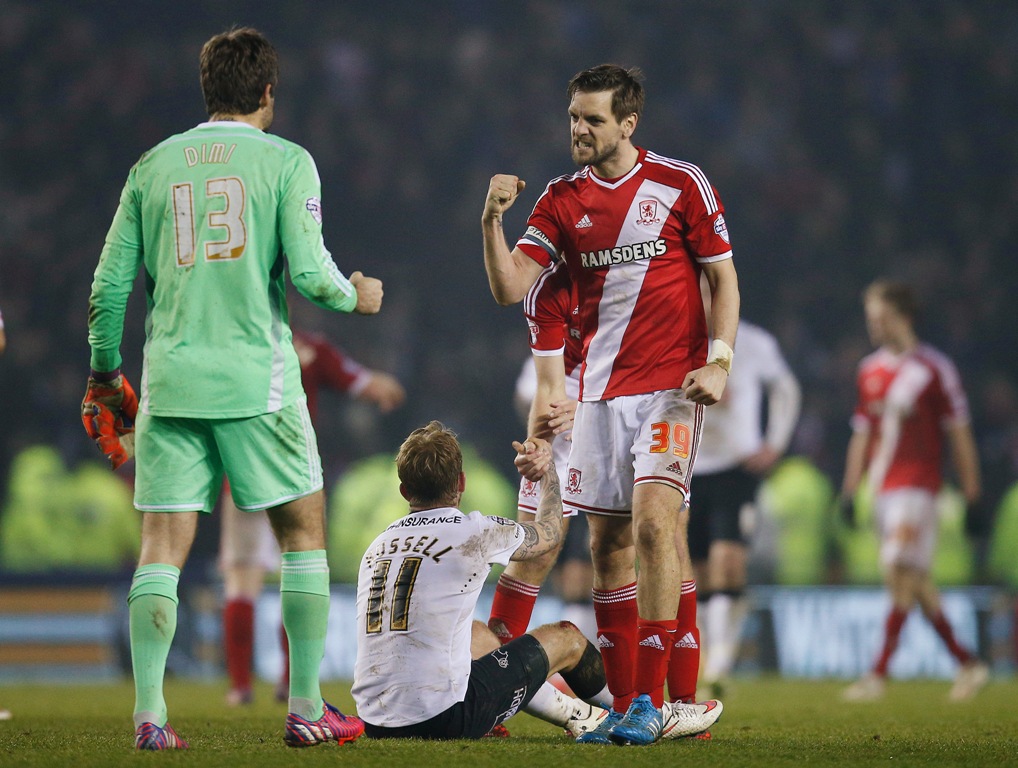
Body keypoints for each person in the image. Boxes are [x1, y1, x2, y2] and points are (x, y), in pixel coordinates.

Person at [81, 27, 382, 750]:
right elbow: (311, 276)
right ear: (269, 92)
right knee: (303, 534)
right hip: (259, 383)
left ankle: (149, 716)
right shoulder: (287, 162)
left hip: (171, 384)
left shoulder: (151, 165)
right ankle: (306, 706)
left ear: (207, 89)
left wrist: (102, 372)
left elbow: (108, 287)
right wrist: (357, 297)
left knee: (162, 549)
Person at [481, 64, 737, 745]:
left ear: (628, 122)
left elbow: (723, 278)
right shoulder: (561, 201)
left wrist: (718, 359)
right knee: (610, 547)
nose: (578, 129)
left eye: (592, 119)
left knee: (658, 527)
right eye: (573, 117)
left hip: (671, 392)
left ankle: (655, 703)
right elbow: (512, 288)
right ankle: (634, 705)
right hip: (597, 398)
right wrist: (491, 220)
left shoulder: (683, 183)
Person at [351, 421, 718, 741]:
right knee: (567, 638)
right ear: (461, 482)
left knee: (479, 636)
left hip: (375, 718)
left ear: (404, 490)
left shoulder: (376, 545)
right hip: (443, 717)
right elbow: (549, 533)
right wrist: (548, 475)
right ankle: (642, 711)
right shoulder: (474, 532)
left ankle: (584, 717)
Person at [221, 328, 405, 706]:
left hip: (242, 468)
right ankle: (292, 682)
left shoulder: (231, 340)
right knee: (299, 570)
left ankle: (239, 687)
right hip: (293, 469)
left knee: (241, 581)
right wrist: (384, 386)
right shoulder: (310, 346)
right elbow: (361, 381)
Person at [840, 279, 989, 702]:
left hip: (920, 488)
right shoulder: (869, 370)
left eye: (880, 318)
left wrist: (972, 493)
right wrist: (850, 491)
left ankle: (877, 674)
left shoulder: (933, 369)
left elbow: (959, 435)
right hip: (882, 490)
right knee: (911, 579)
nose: (873, 327)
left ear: (902, 317)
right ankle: (968, 662)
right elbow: (862, 435)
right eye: (870, 319)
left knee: (898, 568)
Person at [688, 276, 801, 699]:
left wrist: (775, 443)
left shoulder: (752, 341)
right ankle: (701, 663)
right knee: (695, 571)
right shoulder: (676, 338)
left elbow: (786, 390)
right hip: (687, 466)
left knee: (728, 561)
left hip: (736, 469)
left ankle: (720, 662)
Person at [487, 263, 593, 645]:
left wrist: (589, 409)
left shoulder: (637, 279)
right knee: (533, 554)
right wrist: (538, 442)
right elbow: (539, 388)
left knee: (630, 548)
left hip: (624, 414)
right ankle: (496, 666)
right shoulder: (547, 288)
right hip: (559, 423)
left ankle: (646, 685)